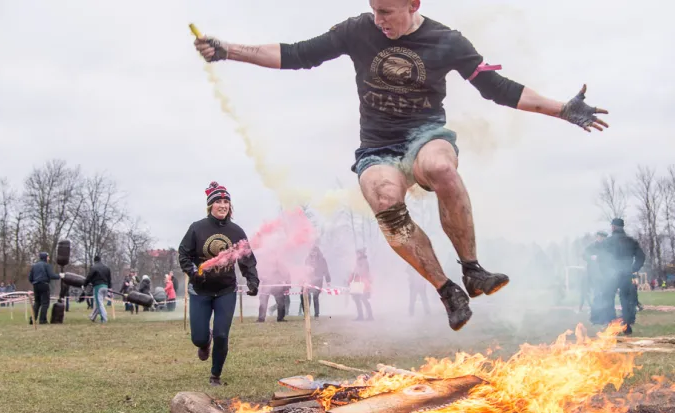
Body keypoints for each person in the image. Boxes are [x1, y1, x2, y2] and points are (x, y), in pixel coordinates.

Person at [193, 1, 608, 331]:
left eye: (387, 12)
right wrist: (229, 50)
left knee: (442, 168)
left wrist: (562, 109)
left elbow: (497, 89)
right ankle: (447, 291)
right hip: (378, 148)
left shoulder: (447, 41)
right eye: (374, 10)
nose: (379, 20)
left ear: (413, 4)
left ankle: (472, 270)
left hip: (424, 136)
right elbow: (296, 54)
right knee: (385, 198)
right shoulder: (358, 30)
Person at [178, 181, 260, 386]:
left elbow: (246, 258)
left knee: (222, 335)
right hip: (200, 291)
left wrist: (252, 280)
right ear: (210, 205)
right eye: (218, 201)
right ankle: (205, 341)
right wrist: (192, 273)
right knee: (198, 338)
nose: (223, 205)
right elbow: (183, 254)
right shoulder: (197, 228)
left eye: (226, 201)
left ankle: (215, 375)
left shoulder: (236, 231)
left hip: (226, 290)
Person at [600, 218, 646, 334]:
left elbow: (601, 259)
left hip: (611, 274)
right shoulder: (631, 241)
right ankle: (626, 324)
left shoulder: (607, 242)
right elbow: (641, 256)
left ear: (613, 227)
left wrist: (605, 271)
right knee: (626, 299)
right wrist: (633, 269)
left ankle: (611, 324)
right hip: (626, 273)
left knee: (608, 298)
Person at [28, 252, 60, 325]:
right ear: (45, 257)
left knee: (37, 302)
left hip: (35, 285)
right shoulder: (46, 265)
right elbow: (51, 275)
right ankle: (42, 320)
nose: (48, 258)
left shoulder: (34, 266)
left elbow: (30, 278)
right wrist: (59, 276)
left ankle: (33, 319)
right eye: (48, 257)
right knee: (45, 303)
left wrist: (34, 282)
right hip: (44, 284)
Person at [579, 231, 607, 313]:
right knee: (595, 290)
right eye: (599, 236)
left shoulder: (606, 246)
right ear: (597, 237)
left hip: (603, 271)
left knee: (602, 290)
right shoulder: (591, 246)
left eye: (602, 237)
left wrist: (599, 258)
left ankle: (601, 308)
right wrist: (590, 257)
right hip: (593, 271)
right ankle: (594, 308)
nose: (601, 238)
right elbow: (584, 255)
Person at [303, 246, 331, 318]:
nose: (313, 253)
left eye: (315, 251)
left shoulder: (322, 260)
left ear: (318, 252)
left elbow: (326, 270)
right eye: (312, 251)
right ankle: (307, 313)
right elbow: (304, 270)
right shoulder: (307, 259)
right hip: (309, 280)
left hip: (318, 280)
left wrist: (328, 280)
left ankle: (316, 314)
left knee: (315, 296)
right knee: (308, 296)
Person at [84, 255, 112, 324]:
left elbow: (89, 277)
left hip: (98, 287)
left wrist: (84, 284)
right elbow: (109, 279)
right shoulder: (107, 268)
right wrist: (109, 287)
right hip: (105, 287)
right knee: (99, 303)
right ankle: (92, 317)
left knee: (99, 304)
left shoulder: (94, 267)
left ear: (95, 261)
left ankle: (104, 319)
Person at [348, 249, 374, 321]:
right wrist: (351, 278)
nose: (357, 255)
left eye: (358, 253)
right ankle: (361, 316)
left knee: (364, 299)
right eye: (357, 253)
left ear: (361, 254)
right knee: (357, 299)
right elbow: (355, 272)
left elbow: (363, 272)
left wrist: (355, 273)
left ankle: (369, 316)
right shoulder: (358, 261)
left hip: (363, 283)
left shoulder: (364, 261)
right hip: (358, 283)